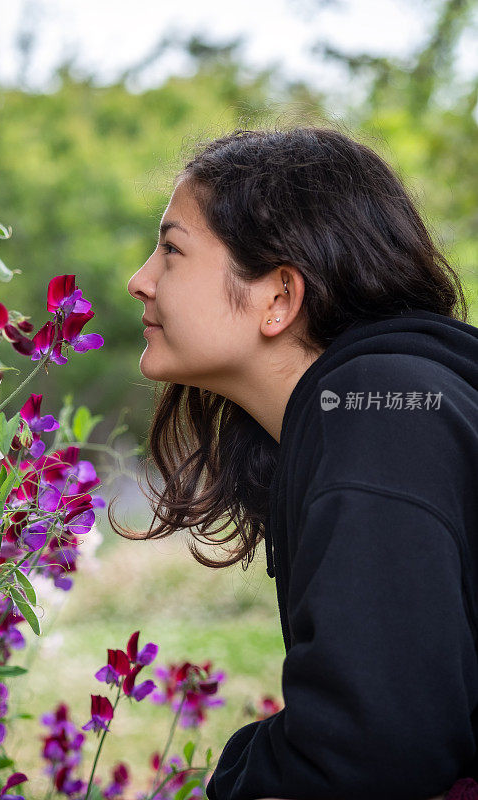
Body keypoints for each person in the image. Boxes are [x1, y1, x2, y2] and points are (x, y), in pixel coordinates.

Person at [119, 125, 478, 799]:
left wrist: (230, 779)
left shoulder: (378, 415)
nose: (139, 280)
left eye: (170, 250)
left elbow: (376, 750)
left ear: (278, 299)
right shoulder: (379, 403)